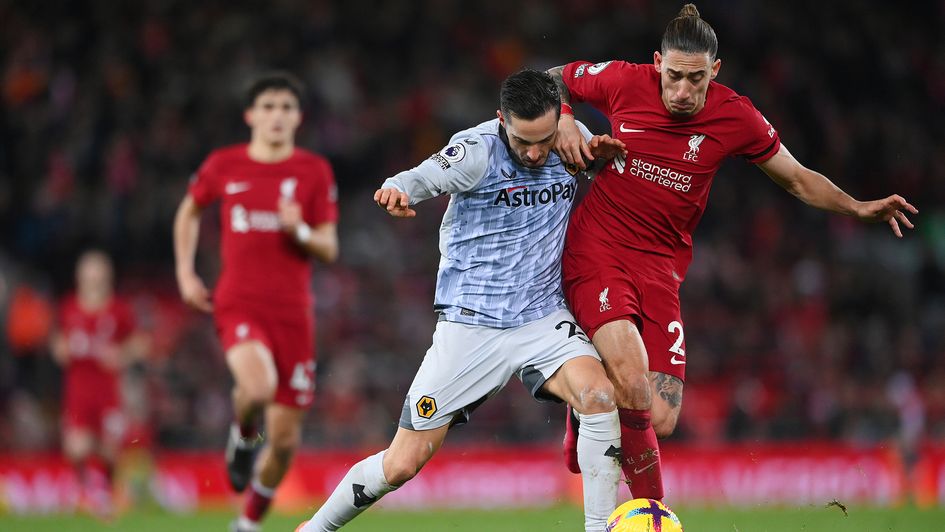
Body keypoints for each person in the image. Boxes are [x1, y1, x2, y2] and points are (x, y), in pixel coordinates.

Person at [548, 3, 918, 501]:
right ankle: (652, 514)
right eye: (674, 76)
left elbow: (797, 178)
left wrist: (856, 207)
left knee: (661, 416)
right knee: (632, 385)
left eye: (695, 80)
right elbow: (549, 78)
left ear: (714, 72)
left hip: (661, 268)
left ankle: (582, 407)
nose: (682, 91)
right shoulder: (623, 81)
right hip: (599, 250)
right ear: (657, 63)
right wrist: (567, 119)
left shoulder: (735, 115)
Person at [298, 69, 628, 532]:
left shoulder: (570, 141)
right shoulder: (476, 151)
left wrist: (604, 159)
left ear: (561, 120)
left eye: (545, 138)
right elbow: (422, 175)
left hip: (541, 316)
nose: (535, 153)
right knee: (401, 465)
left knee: (597, 395)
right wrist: (397, 189)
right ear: (501, 121)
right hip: (470, 326)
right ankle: (313, 529)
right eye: (522, 141)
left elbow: (601, 164)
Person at [173, 72, 339, 532]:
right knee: (258, 388)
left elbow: (328, 246)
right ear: (250, 115)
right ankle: (245, 437)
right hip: (239, 303)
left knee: (284, 443)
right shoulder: (225, 164)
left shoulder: (313, 171)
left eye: (286, 107)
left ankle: (247, 525)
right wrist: (186, 272)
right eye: (268, 107)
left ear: (298, 118)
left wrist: (299, 230)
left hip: (293, 315)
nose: (277, 116)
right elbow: (189, 210)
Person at [51, 250, 143, 518]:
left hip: (108, 391)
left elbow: (140, 342)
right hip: (78, 390)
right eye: (89, 270)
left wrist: (121, 355)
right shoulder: (69, 307)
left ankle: (105, 495)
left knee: (110, 451)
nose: (94, 276)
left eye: (98, 270)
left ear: (107, 275)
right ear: (80, 275)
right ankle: (88, 490)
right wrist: (61, 350)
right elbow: (57, 343)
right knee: (76, 447)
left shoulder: (118, 309)